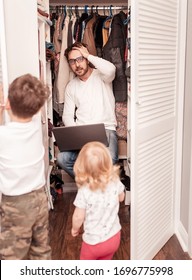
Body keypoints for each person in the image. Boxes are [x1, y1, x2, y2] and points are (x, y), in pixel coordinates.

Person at [0, 74, 52, 260]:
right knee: (41, 250)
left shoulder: (4, 135)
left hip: (16, 204)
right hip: (39, 198)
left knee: (12, 255)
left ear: (7, 104)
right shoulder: (35, 127)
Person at [57, 42, 118, 178]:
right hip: (81, 133)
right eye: (72, 61)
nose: (77, 65)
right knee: (62, 159)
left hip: (105, 129)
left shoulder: (102, 76)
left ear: (86, 59)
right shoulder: (71, 87)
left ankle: (92, 188)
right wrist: (77, 135)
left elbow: (111, 70)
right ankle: (92, 186)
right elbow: (67, 116)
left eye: (80, 59)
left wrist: (88, 55)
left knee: (109, 159)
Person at [71, 141, 125, 260]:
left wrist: (75, 229)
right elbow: (121, 198)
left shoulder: (84, 191)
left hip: (93, 243)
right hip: (114, 238)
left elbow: (78, 217)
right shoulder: (115, 181)